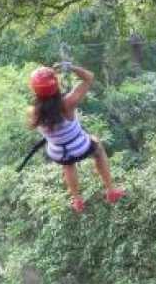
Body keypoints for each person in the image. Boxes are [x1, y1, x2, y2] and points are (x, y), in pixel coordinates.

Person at [28, 63, 126, 213]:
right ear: (56, 86)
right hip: (80, 146)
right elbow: (89, 77)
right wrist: (70, 67)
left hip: (58, 153)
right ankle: (110, 190)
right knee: (98, 149)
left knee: (68, 164)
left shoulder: (33, 112)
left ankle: (77, 199)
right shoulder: (67, 103)